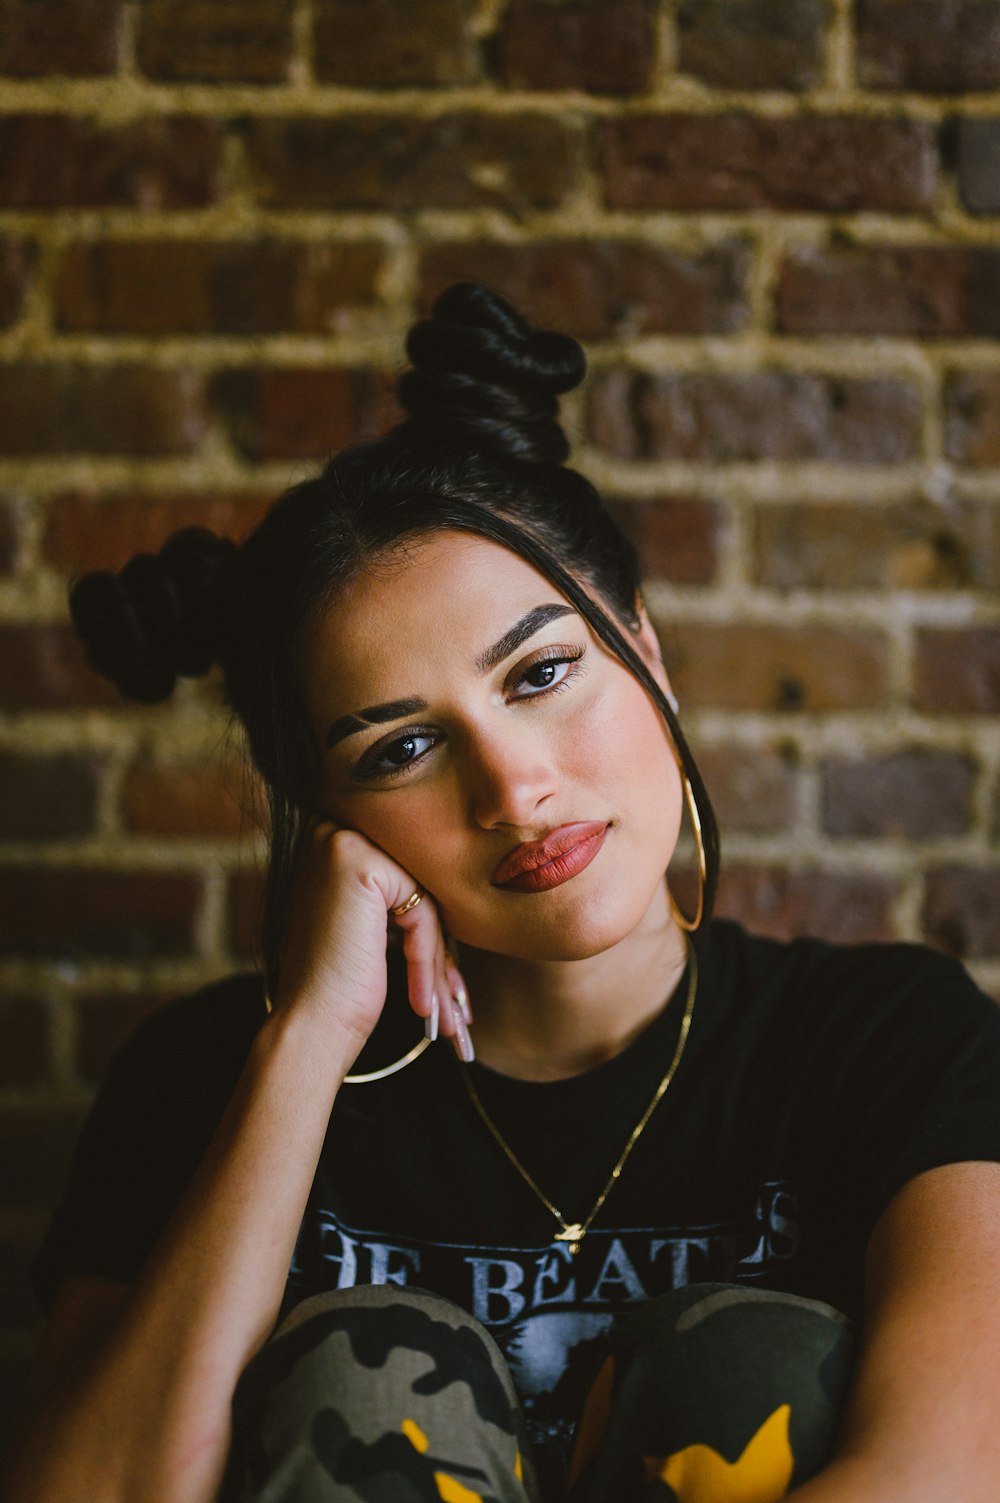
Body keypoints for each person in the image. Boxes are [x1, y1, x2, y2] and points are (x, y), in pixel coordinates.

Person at [4, 283, 1000, 1503]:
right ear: (326, 817)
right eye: (399, 749)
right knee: (362, 1373)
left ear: (646, 653)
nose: (514, 790)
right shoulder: (204, 1079)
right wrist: (308, 1042)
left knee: (754, 1361)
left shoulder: (891, 1042)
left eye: (539, 673)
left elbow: (945, 1471)